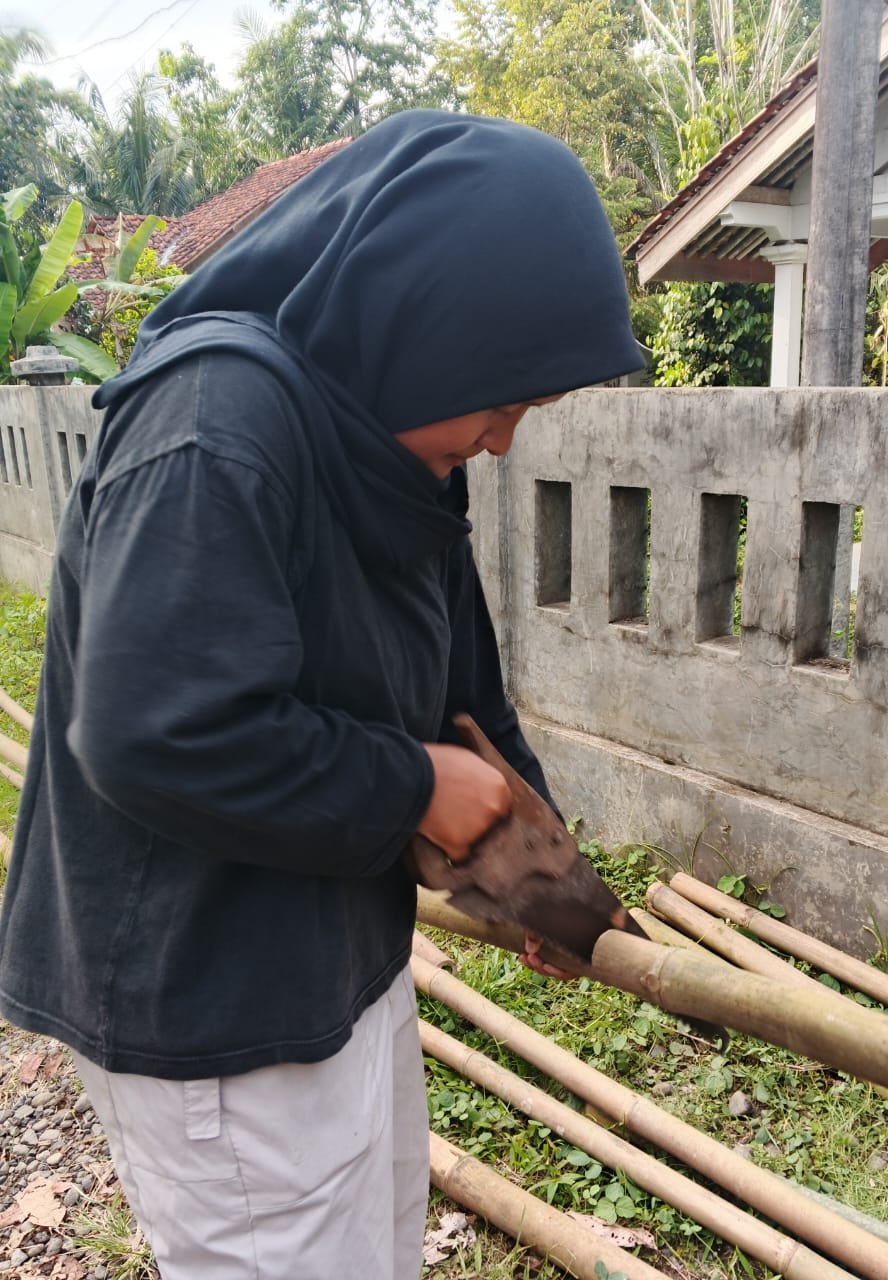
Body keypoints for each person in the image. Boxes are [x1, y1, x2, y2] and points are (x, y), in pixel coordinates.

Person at [0, 109, 643, 1278]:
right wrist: (413, 787)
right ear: (424, 327)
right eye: (502, 397)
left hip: (333, 961)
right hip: (215, 1004)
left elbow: (466, 702)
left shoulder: (393, 449)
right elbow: (157, 730)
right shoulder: (216, 425)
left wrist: (543, 878)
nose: (503, 441)